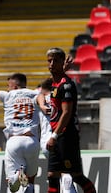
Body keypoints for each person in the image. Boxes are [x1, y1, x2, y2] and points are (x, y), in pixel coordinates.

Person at [40, 47, 96, 193]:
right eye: (49, 61)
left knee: (76, 176)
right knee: (52, 175)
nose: (51, 64)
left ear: (62, 63)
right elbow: (42, 91)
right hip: (57, 135)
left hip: (66, 135)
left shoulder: (66, 85)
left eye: (55, 61)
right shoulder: (54, 83)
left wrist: (54, 136)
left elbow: (66, 113)